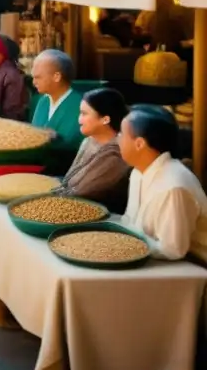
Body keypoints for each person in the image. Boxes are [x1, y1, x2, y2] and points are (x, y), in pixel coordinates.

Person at [119, 105, 207, 261]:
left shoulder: (173, 186)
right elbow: (129, 222)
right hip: (148, 256)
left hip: (194, 265)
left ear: (139, 144)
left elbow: (172, 250)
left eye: (122, 134)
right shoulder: (139, 171)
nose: (117, 139)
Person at [54, 88, 131, 213]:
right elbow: (68, 181)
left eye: (84, 114)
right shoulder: (88, 141)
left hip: (101, 217)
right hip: (71, 207)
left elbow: (83, 192)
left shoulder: (116, 153)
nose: (79, 119)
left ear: (105, 119)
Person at [31, 49, 84, 175]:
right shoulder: (42, 101)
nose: (33, 82)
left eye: (38, 77)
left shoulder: (82, 105)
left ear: (57, 76)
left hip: (66, 175)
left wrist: (54, 138)